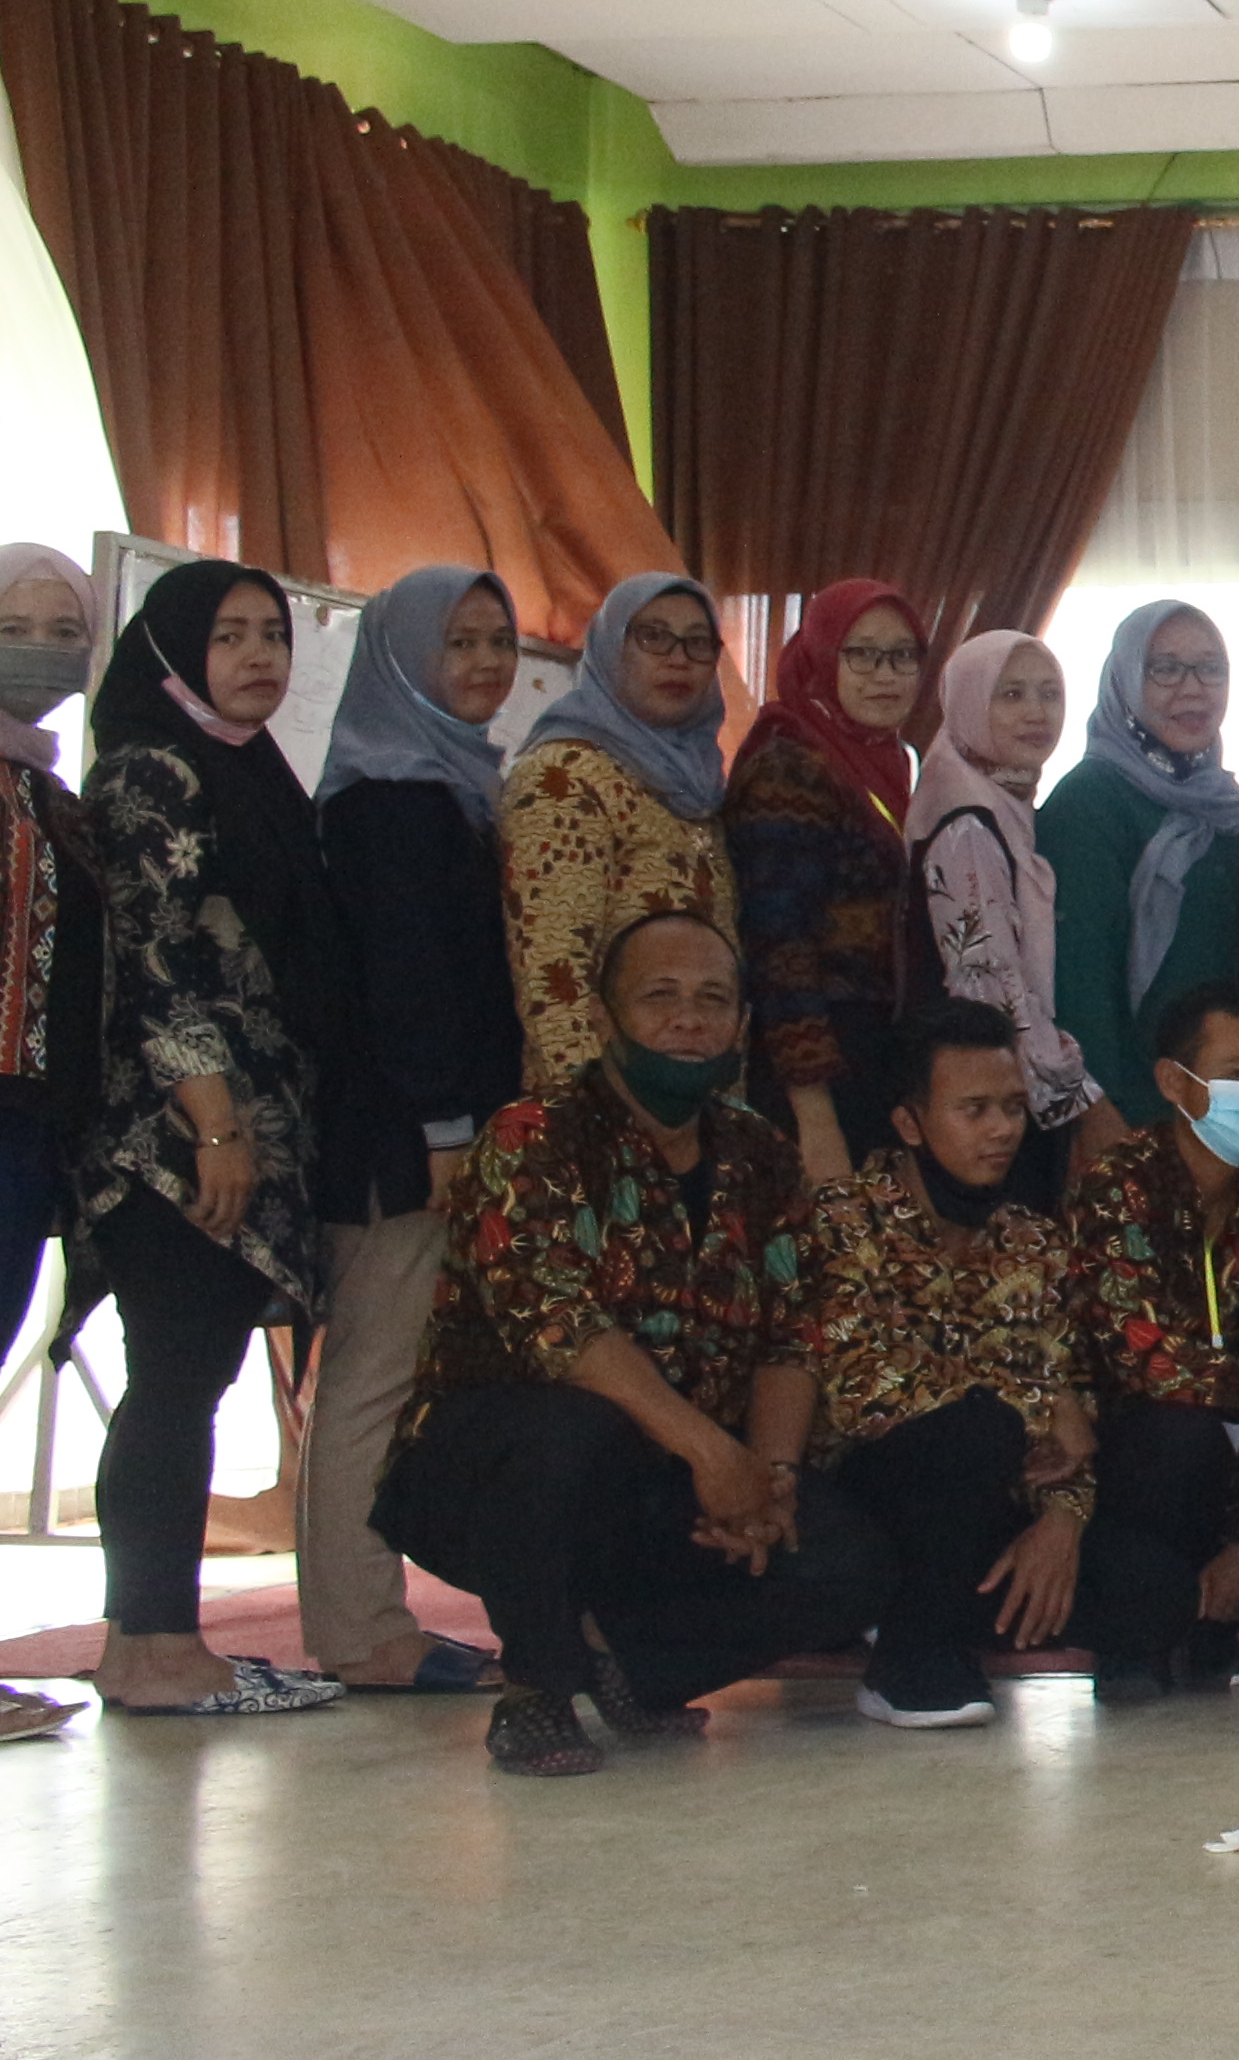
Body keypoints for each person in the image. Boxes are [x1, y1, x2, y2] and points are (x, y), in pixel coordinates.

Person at [374, 910, 881, 1776]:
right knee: (574, 1427)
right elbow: (563, 1329)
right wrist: (713, 1456)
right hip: (496, 1477)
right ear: (603, 1017)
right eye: (660, 997)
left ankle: (624, 1660)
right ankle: (536, 1685)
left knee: (847, 1558)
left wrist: (766, 1481)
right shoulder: (533, 1136)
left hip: (666, 1481)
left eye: (712, 1000)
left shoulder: (760, 1151)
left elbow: (794, 1335)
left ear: (742, 1023)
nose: (688, 1020)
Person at [76, 559, 356, 1719]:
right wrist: (216, 1123)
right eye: (229, 635)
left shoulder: (247, 769)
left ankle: (159, 1644)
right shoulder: (152, 769)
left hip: (238, 1129)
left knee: (189, 1379)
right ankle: (149, 1648)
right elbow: (157, 958)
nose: (257, 657)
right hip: (175, 1140)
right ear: (173, 652)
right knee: (175, 1378)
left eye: (272, 635)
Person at [303, 564, 529, 1695]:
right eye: (458, 643)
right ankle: (359, 1632)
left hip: (433, 1131)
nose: (484, 664)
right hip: (398, 1142)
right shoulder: (388, 800)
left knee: (395, 1373)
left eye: (498, 641)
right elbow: (409, 989)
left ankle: (374, 1620)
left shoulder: (450, 784)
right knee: (374, 1377)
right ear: (401, 658)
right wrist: (444, 1126)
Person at [780, 1002, 1095, 1731]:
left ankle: (951, 1615)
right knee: (971, 1432)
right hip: (871, 1498)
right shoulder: (843, 1220)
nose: (1002, 1130)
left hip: (996, 1498)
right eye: (974, 1110)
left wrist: (1064, 1520)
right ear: (910, 1123)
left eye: (1012, 1107)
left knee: (1146, 1590)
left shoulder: (1033, 1241)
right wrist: (1041, 1409)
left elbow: (1077, 1411)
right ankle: (909, 1663)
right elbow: (865, 1392)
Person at [1060, 979, 1239, 1700]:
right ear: (1175, 1082)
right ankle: (1138, 1636)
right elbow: (1145, 1362)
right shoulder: (1120, 1185)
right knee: (1177, 1436)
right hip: (1130, 1464)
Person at [721, 579, 927, 1183]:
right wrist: (814, 1116)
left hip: (873, 1047)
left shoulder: (886, 760)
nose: (885, 675)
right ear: (821, 656)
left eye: (903, 655)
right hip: (814, 1060)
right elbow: (779, 951)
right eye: (861, 654)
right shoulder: (790, 764)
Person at [500, 571, 733, 1090]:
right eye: (653, 636)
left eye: (698, 643)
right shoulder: (564, 778)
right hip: (607, 1099)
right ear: (610, 648)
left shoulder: (699, 788)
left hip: (693, 1096)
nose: (678, 659)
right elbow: (553, 974)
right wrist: (599, 1111)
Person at [1044, 601, 1239, 1161]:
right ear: (1125, 681)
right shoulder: (1090, 802)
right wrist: (1099, 1109)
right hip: (1124, 1106)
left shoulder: (1228, 808)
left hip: (1219, 1104)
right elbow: (1077, 979)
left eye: (1210, 669)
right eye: (1164, 669)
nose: (1192, 689)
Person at [0, 547, 98, 1740]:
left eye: (63, 630)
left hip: (27, 1128)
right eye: (14, 627)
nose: (39, 649)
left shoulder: (53, 797)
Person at [904, 631, 1094, 1203]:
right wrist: (1077, 1107)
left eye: (1050, 693)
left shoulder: (1003, 808)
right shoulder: (968, 825)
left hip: (1002, 1095)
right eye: (1011, 695)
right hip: (986, 1103)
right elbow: (991, 985)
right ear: (967, 702)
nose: (1037, 713)